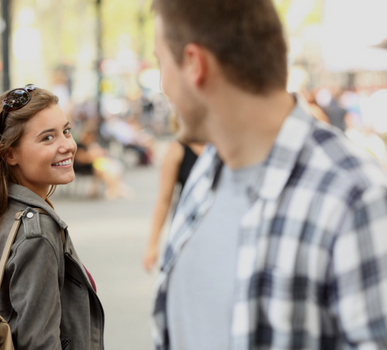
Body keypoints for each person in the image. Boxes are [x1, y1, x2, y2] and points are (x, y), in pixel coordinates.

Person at [151, 1, 387, 349]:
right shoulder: (205, 174)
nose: (162, 84)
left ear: (194, 63)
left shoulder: (354, 196)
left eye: (160, 63)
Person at [0, 85, 104, 349]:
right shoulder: (37, 232)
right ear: (10, 154)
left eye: (66, 131)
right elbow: (40, 343)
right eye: (48, 138)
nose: (68, 146)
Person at [142, 139, 205, 272]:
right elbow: (164, 199)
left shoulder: (223, 145)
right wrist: (152, 245)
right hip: (187, 230)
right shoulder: (177, 149)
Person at [74, 126, 130, 199]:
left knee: (111, 167)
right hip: (83, 167)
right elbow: (81, 159)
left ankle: (115, 187)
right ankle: (112, 188)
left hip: (93, 164)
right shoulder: (79, 145)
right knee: (104, 169)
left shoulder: (91, 145)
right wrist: (93, 156)